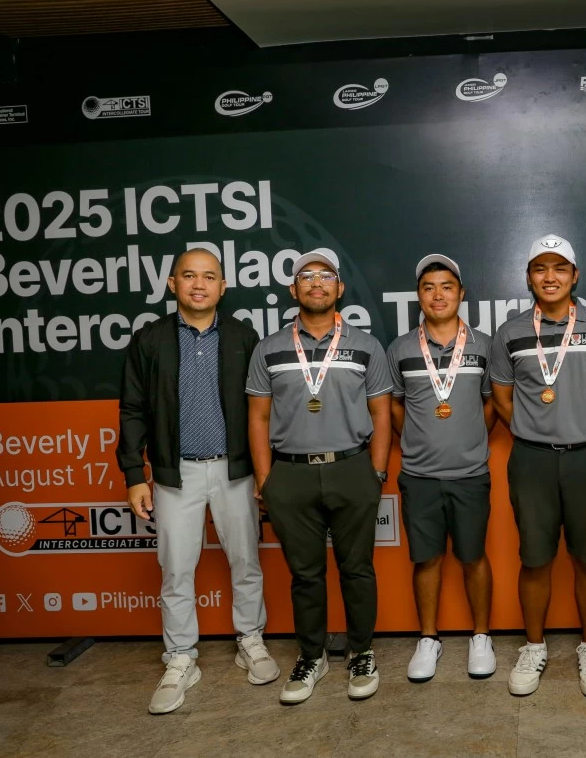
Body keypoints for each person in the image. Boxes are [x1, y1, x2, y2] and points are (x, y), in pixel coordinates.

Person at [116, 247, 279, 715]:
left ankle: (251, 640)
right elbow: (132, 409)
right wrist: (134, 474)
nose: (199, 284)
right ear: (173, 284)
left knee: (245, 561)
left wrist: (265, 471)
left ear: (222, 287)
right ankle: (181, 657)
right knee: (175, 568)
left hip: (235, 470)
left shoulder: (244, 337)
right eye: (189, 276)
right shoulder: (149, 340)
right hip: (175, 474)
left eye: (209, 276)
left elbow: (264, 410)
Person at [489, 234, 586, 698]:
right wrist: (535, 430)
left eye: (559, 268)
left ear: (575, 276)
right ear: (528, 277)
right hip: (531, 460)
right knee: (534, 559)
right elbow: (502, 399)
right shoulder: (510, 333)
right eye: (540, 268)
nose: (549, 277)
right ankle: (534, 647)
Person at [247, 246, 393, 704]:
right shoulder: (269, 348)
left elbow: (381, 412)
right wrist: (266, 480)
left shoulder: (366, 346)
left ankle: (361, 652)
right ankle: (312, 656)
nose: (316, 283)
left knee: (357, 570)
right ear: (293, 290)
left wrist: (377, 472)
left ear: (340, 288)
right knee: (305, 574)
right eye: (306, 276)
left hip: (352, 468)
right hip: (291, 474)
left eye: (325, 276)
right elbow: (257, 417)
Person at [387, 254, 497, 682]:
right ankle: (428, 638)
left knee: (474, 556)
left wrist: (469, 439)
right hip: (419, 475)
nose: (438, 295)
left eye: (447, 287)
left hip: (470, 474)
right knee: (426, 559)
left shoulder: (483, 345)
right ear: (418, 295)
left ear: (461, 293)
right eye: (429, 287)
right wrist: (420, 440)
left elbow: (491, 404)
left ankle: (481, 636)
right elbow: (395, 407)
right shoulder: (400, 349)